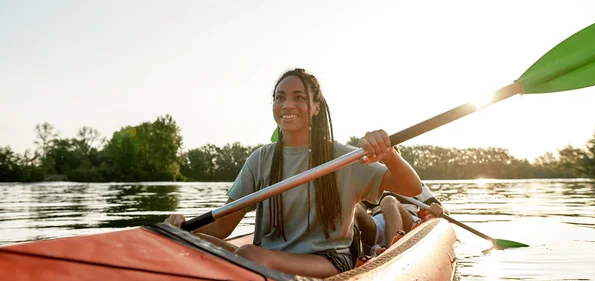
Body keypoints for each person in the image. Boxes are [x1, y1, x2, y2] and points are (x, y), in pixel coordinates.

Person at [165, 68, 422, 278]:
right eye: (280, 97)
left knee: (247, 256)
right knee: (189, 242)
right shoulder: (260, 159)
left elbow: (412, 188)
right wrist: (181, 228)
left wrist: (388, 154)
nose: (288, 104)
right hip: (266, 255)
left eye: (299, 97)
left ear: (315, 107)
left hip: (327, 260)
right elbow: (222, 227)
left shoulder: (344, 157)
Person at [354, 182, 447, 257]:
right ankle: (350, 257)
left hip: (407, 221)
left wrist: (439, 209)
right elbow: (360, 207)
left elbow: (445, 212)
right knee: (354, 207)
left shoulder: (414, 183)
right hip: (378, 222)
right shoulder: (374, 183)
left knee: (389, 201)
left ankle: (391, 253)